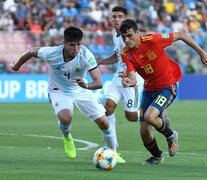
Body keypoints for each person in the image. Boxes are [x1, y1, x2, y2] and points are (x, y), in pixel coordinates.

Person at [11, 26, 125, 163]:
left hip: (81, 90)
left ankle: (113, 152)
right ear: (64, 43)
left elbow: (99, 82)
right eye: (72, 45)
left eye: (78, 44)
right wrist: (16, 67)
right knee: (66, 118)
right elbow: (30, 52)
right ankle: (67, 138)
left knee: (104, 122)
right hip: (59, 91)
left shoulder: (86, 55)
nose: (76, 48)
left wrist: (86, 85)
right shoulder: (52, 53)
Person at [118, 19, 207, 165]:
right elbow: (132, 76)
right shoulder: (125, 53)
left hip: (167, 85)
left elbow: (181, 35)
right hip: (149, 89)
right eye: (123, 37)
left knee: (149, 117)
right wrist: (130, 82)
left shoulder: (153, 40)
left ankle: (171, 135)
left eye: (129, 36)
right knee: (144, 132)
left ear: (138, 33)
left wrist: (202, 53)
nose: (126, 40)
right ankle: (157, 156)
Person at [97, 6, 144, 151]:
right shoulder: (115, 36)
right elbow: (117, 57)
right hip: (119, 76)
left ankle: (151, 112)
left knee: (131, 116)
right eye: (114, 17)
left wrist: (131, 74)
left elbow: (140, 58)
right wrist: (99, 62)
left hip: (133, 78)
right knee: (108, 108)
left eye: (119, 16)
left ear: (126, 18)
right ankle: (113, 145)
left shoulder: (133, 37)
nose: (116, 19)